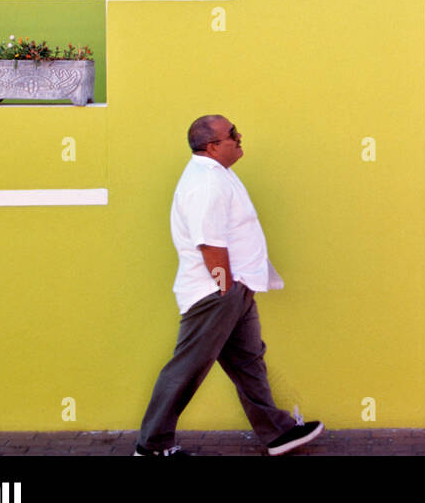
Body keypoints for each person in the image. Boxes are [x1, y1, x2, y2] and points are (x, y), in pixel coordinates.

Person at [135, 114, 323, 456]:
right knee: (187, 367)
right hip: (217, 292)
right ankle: (152, 446)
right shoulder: (207, 182)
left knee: (249, 360)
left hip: (234, 290)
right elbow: (209, 243)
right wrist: (226, 289)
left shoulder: (217, 175)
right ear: (212, 146)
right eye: (232, 134)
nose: (239, 138)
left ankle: (277, 431)